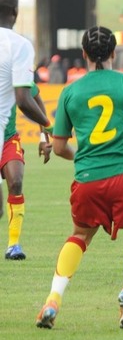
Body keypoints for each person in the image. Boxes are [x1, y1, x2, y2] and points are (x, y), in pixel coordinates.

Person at [35, 26, 123, 330]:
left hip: (88, 180)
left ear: (84, 54)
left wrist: (83, 156)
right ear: (114, 53)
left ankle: (53, 299)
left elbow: (58, 147)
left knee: (80, 236)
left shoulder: (70, 92)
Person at [0, 0, 55, 258]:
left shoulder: (15, 48)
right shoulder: (19, 46)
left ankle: (13, 246)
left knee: (16, 181)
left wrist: (44, 131)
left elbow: (32, 93)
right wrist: (51, 129)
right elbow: (25, 100)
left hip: (8, 135)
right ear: (15, 12)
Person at [3, 85, 52, 260]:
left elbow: (35, 97)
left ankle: (13, 245)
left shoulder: (10, 71)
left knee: (16, 182)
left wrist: (43, 136)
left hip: (8, 139)